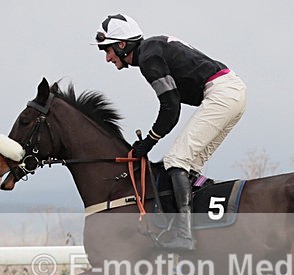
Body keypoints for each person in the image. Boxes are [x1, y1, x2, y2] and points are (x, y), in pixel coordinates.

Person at [94, 14, 247, 251]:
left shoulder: (148, 58)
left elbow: (170, 107)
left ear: (122, 45)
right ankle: (200, 228)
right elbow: (172, 106)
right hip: (229, 92)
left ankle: (185, 235)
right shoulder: (152, 49)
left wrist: (148, 141)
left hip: (221, 94)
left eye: (108, 50)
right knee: (189, 167)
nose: (107, 58)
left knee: (176, 161)